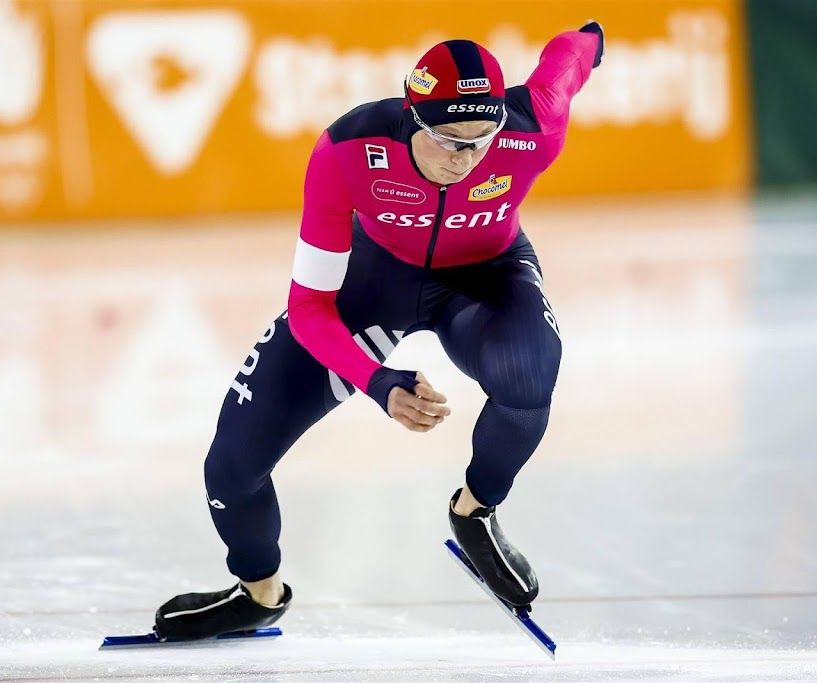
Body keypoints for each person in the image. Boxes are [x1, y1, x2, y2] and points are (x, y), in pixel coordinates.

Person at [154, 21, 605, 641]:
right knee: (231, 466)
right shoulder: (347, 149)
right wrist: (376, 380)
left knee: (529, 373)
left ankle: (475, 512)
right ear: (414, 118)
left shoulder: (532, 128)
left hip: (486, 274)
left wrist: (591, 38)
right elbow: (310, 308)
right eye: (448, 140)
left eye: (481, 141)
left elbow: (567, 61)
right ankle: (259, 593)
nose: (464, 159)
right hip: (376, 279)